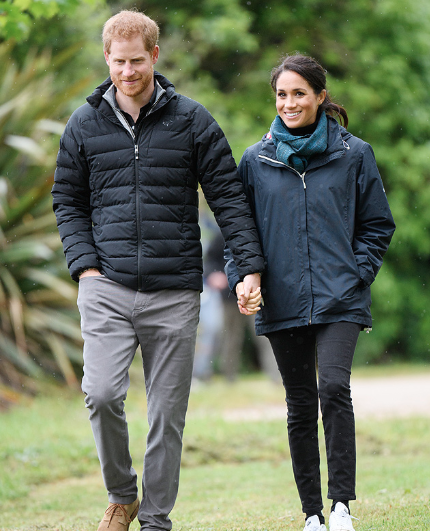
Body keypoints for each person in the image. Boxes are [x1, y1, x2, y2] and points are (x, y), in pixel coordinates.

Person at [51, 10, 264, 531]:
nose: (128, 71)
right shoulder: (84, 123)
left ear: (155, 56)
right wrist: (85, 267)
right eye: (119, 62)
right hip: (107, 286)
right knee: (101, 394)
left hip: (174, 291)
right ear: (107, 58)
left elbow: (229, 201)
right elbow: (67, 200)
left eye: (137, 61)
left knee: (167, 415)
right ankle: (121, 495)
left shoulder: (192, 121)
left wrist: (248, 269)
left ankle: (155, 518)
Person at [225, 53, 395, 531]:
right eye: (282, 94)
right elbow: (240, 233)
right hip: (282, 299)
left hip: (341, 296)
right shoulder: (255, 161)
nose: (289, 102)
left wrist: (356, 273)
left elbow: (378, 225)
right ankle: (313, 513)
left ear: (320, 96)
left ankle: (342, 505)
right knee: (299, 403)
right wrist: (243, 276)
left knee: (333, 388)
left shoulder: (353, 154)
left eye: (299, 93)